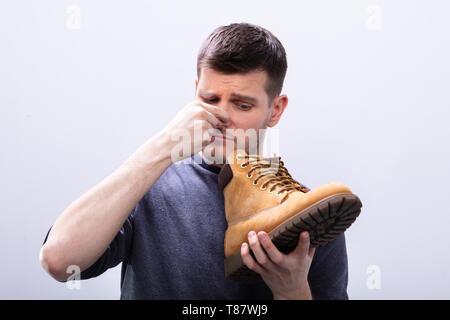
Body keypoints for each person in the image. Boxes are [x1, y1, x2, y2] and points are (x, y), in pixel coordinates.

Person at [40, 22, 349, 300]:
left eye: (242, 105)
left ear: (275, 110)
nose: (221, 117)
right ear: (194, 94)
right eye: (210, 100)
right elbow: (58, 261)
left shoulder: (310, 213)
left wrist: (292, 291)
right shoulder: (148, 185)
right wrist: (163, 146)